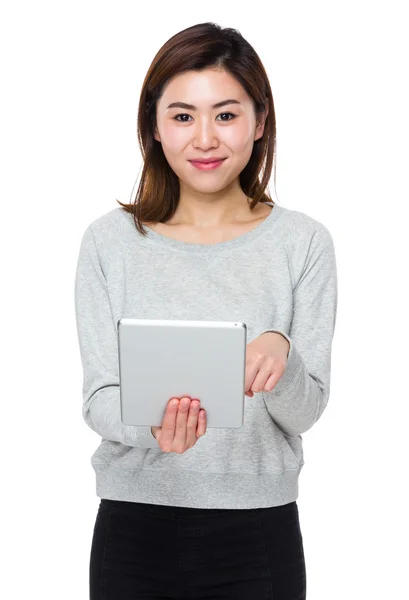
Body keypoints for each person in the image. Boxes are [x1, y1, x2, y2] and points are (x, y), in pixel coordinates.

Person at [74, 21, 337, 600]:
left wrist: (282, 354)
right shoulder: (109, 242)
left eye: (225, 114)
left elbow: (306, 411)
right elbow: (98, 399)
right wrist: (153, 429)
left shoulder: (303, 243)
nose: (205, 139)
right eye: (182, 116)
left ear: (259, 120)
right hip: (133, 529)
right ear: (154, 126)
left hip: (257, 533)